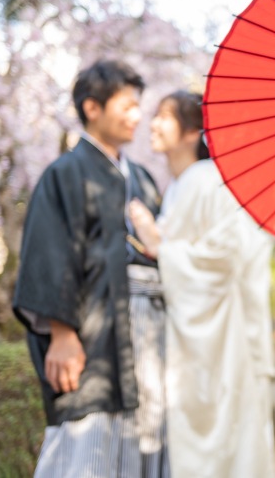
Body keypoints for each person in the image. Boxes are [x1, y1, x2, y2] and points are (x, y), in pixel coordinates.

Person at [13, 60, 168, 477]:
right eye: (128, 105)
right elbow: (49, 253)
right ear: (92, 107)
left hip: (151, 332)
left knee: (151, 432)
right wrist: (62, 334)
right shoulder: (65, 173)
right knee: (89, 435)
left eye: (139, 106)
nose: (137, 116)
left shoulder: (143, 180)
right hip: (95, 336)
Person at [129, 90, 275, 478]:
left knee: (227, 441)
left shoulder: (207, 179)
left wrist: (160, 245)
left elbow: (225, 255)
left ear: (193, 130)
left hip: (225, 336)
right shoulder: (183, 184)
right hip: (201, 335)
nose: (153, 124)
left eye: (164, 116)